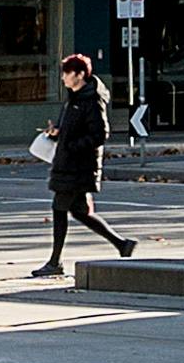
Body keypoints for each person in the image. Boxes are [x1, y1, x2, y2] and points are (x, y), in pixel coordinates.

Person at [35, 52, 133, 276]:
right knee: (80, 212)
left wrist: (72, 146)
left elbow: (100, 134)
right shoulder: (74, 97)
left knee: (59, 209)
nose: (63, 78)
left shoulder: (91, 99)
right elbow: (70, 127)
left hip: (79, 165)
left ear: (79, 75)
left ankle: (54, 262)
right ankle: (122, 244)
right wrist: (57, 133)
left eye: (66, 73)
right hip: (68, 163)